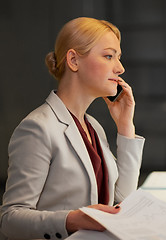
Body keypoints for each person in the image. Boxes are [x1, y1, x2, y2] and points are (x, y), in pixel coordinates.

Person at [0, 17, 145, 239]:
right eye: (109, 56)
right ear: (74, 60)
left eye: (118, 57)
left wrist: (125, 126)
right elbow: (10, 219)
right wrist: (71, 220)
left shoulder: (93, 126)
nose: (120, 68)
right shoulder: (37, 128)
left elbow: (122, 199)